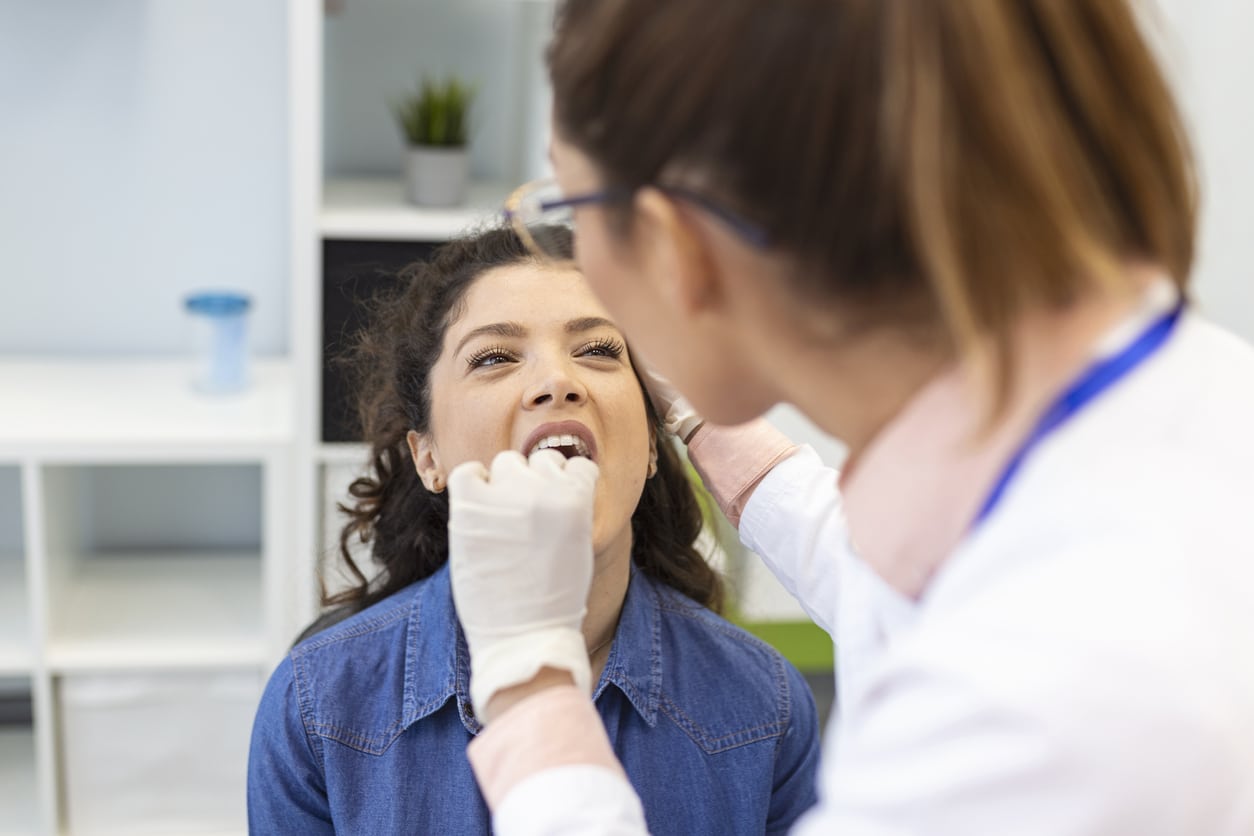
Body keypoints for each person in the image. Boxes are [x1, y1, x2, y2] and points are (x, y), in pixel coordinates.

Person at [443, 2, 1254, 834]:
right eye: (496, 357)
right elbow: (906, 579)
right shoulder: (1183, 404)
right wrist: (709, 419)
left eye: (571, 211)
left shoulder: (1040, 701)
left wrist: (531, 682)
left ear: (673, 247)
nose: (556, 381)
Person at [246, 226, 821, 834]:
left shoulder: (768, 707)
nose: (557, 380)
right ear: (428, 457)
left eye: (599, 349)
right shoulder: (316, 706)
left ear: (654, 444)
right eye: (493, 357)